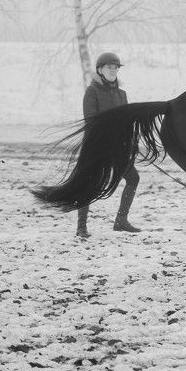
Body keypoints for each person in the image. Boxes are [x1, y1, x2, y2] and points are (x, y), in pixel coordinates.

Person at [76, 51, 141, 238]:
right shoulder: (92, 92)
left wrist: (131, 140)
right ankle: (81, 227)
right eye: (109, 67)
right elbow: (91, 121)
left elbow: (127, 121)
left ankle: (121, 221)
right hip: (97, 148)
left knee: (133, 179)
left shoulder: (122, 94)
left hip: (119, 148)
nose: (113, 70)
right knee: (88, 185)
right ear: (100, 69)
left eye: (116, 67)